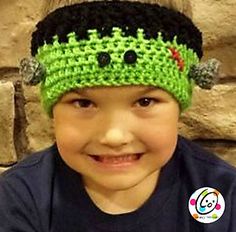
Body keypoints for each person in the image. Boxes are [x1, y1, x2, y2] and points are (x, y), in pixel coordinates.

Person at [0, 1, 235, 231]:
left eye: (145, 101)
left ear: (180, 103)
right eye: (83, 103)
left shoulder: (223, 194)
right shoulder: (17, 199)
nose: (114, 136)